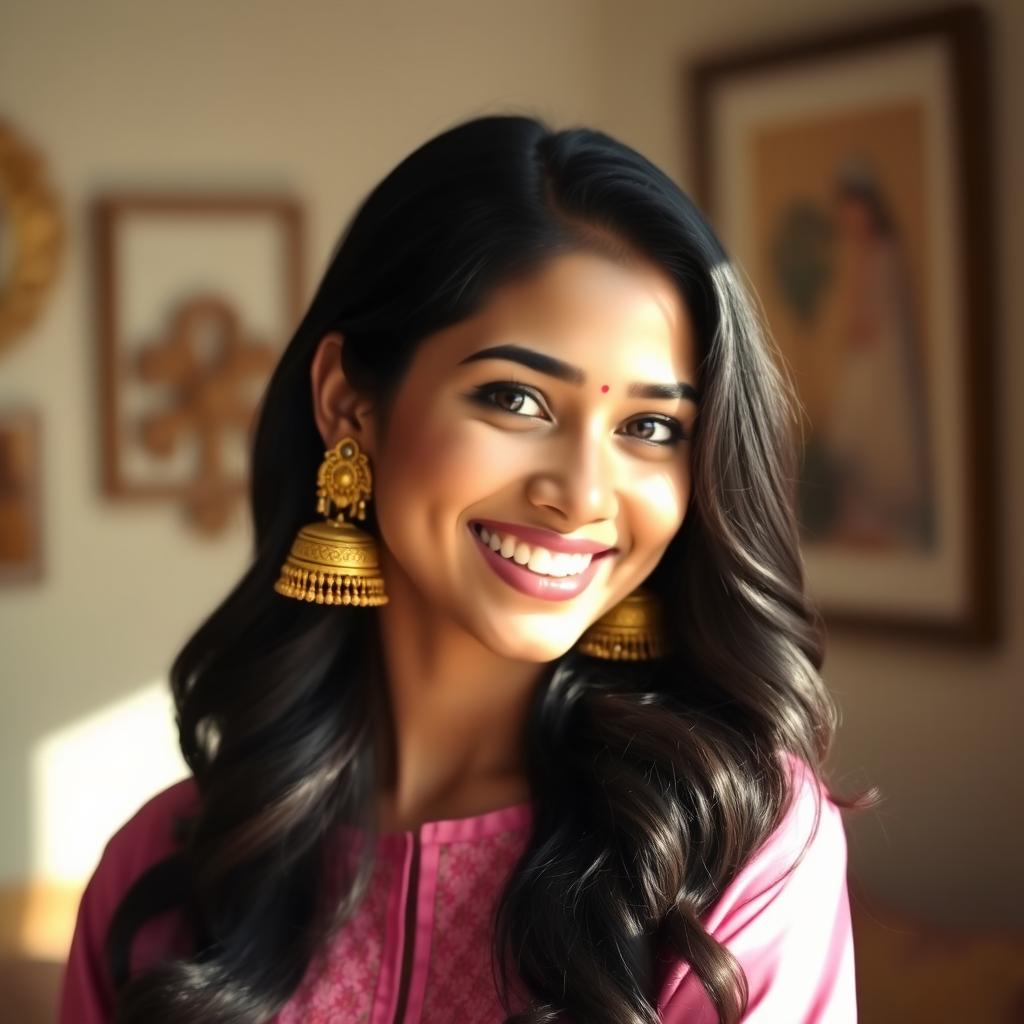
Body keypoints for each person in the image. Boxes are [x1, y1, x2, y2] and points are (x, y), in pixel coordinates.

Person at [57, 114, 879, 1024]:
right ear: (348, 404)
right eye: (517, 399)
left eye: (650, 428)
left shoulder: (735, 853)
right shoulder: (168, 873)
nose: (581, 493)